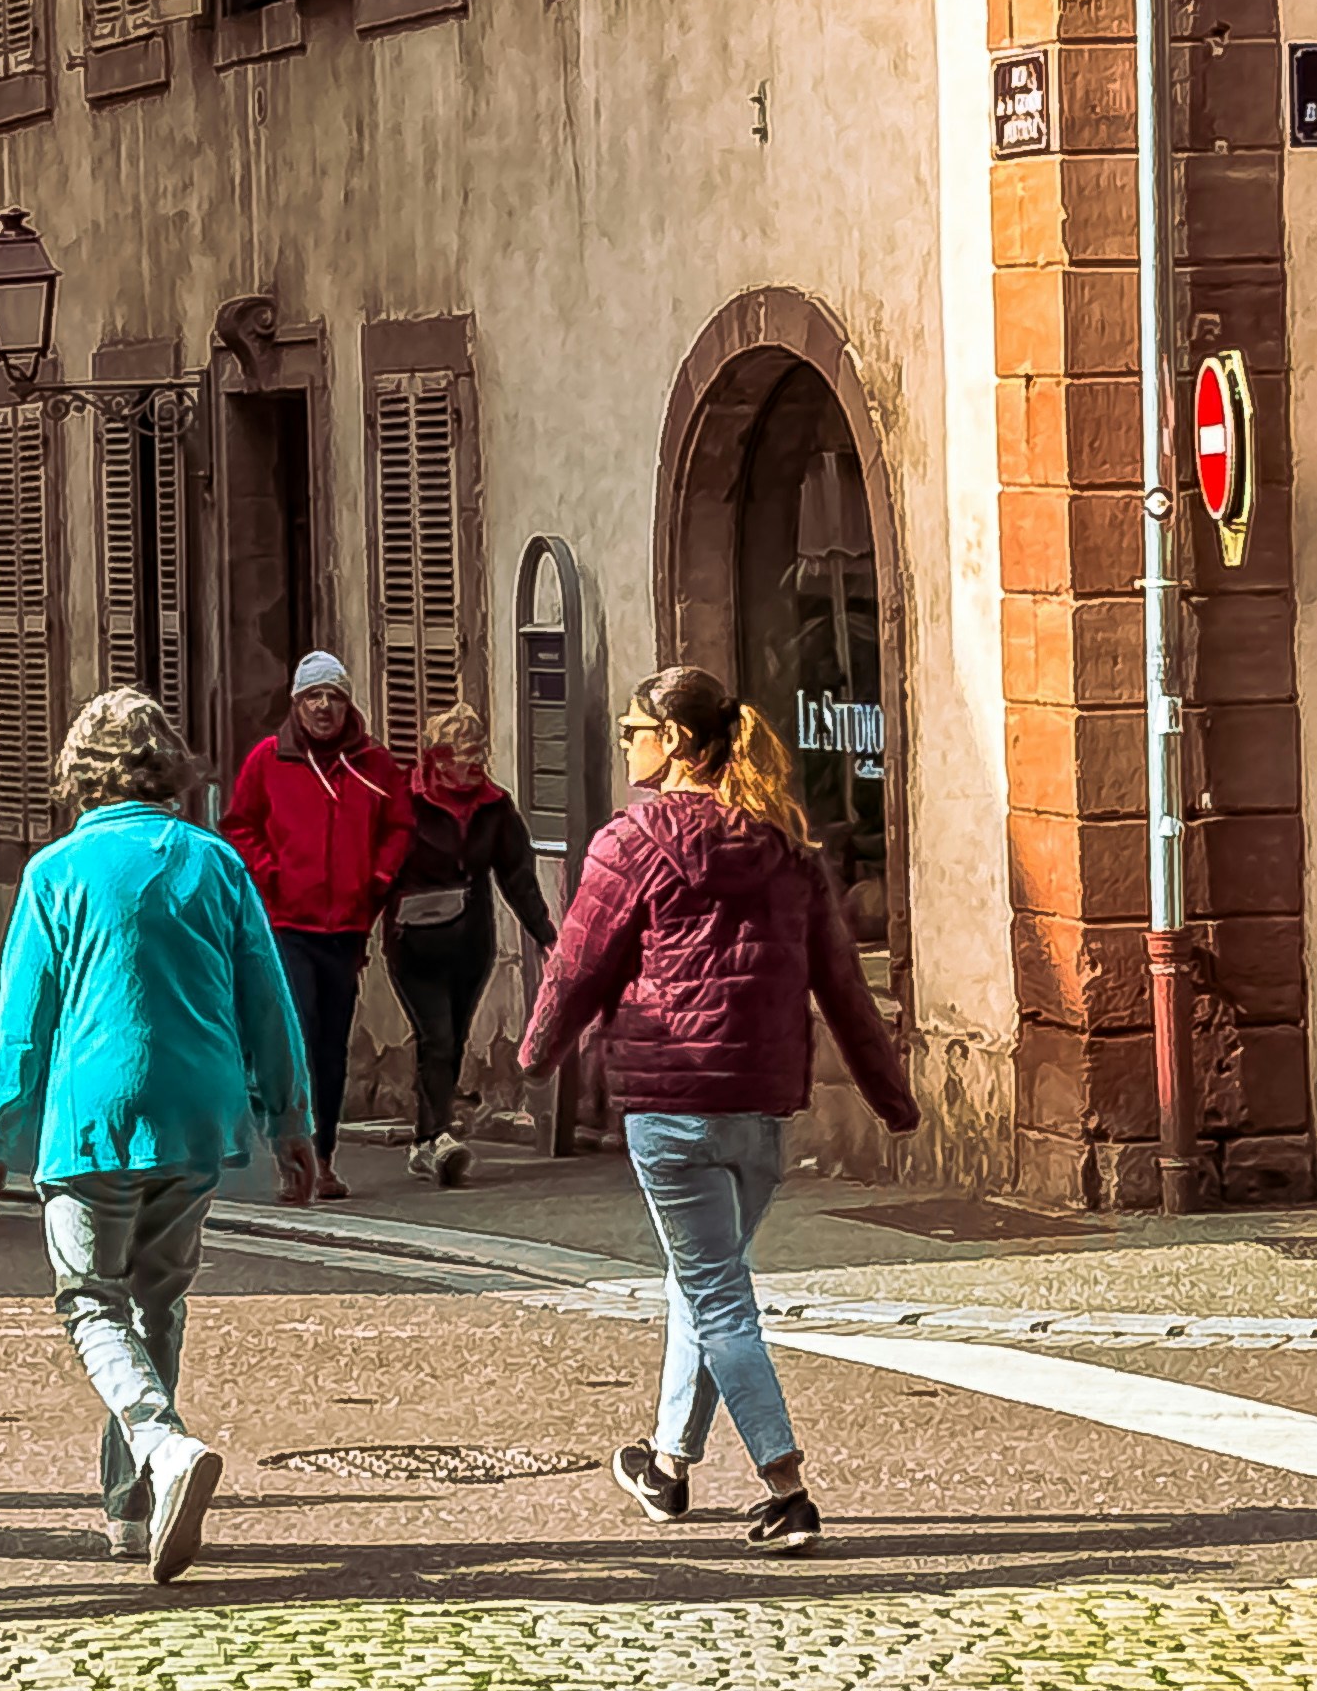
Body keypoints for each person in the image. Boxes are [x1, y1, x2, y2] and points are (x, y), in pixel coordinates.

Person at [520, 663, 917, 1558]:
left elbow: (578, 962)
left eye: (636, 729)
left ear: (679, 745)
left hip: (673, 1103)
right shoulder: (788, 849)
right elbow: (846, 989)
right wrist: (891, 1097)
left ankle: (787, 1487)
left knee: (719, 1296)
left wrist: (536, 1052)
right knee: (701, 1279)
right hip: (763, 1106)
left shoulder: (631, 842)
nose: (627, 742)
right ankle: (666, 1463)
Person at [0, 688, 313, 1577]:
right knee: (159, 1300)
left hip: (93, 1114)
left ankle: (160, 1449)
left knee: (90, 1298)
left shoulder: (57, 872)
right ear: (172, 770)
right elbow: (267, 1000)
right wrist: (291, 1120)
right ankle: (129, 1512)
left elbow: (24, 1017)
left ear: (80, 778)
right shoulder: (215, 863)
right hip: (196, 1115)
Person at [222, 650, 412, 1201]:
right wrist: (271, 874)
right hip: (288, 923)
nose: (324, 707)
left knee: (331, 1048)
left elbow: (399, 827)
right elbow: (239, 825)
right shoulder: (267, 760)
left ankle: (323, 1157)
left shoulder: (374, 765)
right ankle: (292, 1157)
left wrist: (375, 878)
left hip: (348, 925)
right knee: (297, 1039)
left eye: (333, 696)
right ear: (297, 703)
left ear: (347, 703)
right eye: (313, 697)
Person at [387, 700, 557, 1187]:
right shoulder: (403, 802)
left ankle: (426, 1140)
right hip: (414, 941)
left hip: (470, 942)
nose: (475, 763)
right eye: (464, 754)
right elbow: (377, 868)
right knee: (436, 1035)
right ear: (436, 758)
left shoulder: (495, 806)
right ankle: (437, 1135)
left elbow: (517, 876)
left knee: (452, 1038)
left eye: (480, 751)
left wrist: (546, 936)